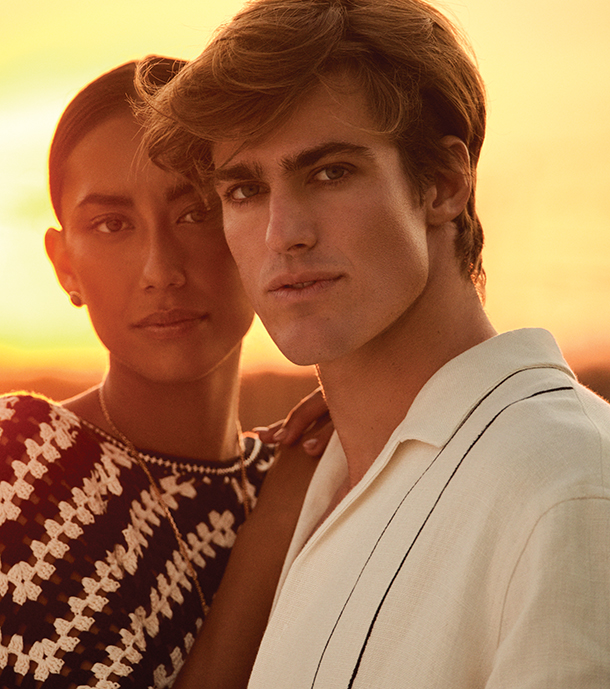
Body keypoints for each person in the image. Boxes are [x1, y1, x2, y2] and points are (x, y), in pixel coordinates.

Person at [139, 0, 610, 686]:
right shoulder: (321, 481)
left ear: (443, 185)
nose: (282, 234)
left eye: (330, 172)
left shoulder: (567, 487)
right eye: (245, 188)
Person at [0, 57, 326, 688]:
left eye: (197, 211)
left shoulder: (303, 475)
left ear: (257, 226)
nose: (160, 268)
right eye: (112, 224)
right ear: (65, 265)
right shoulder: (26, 463)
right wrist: (273, 530)